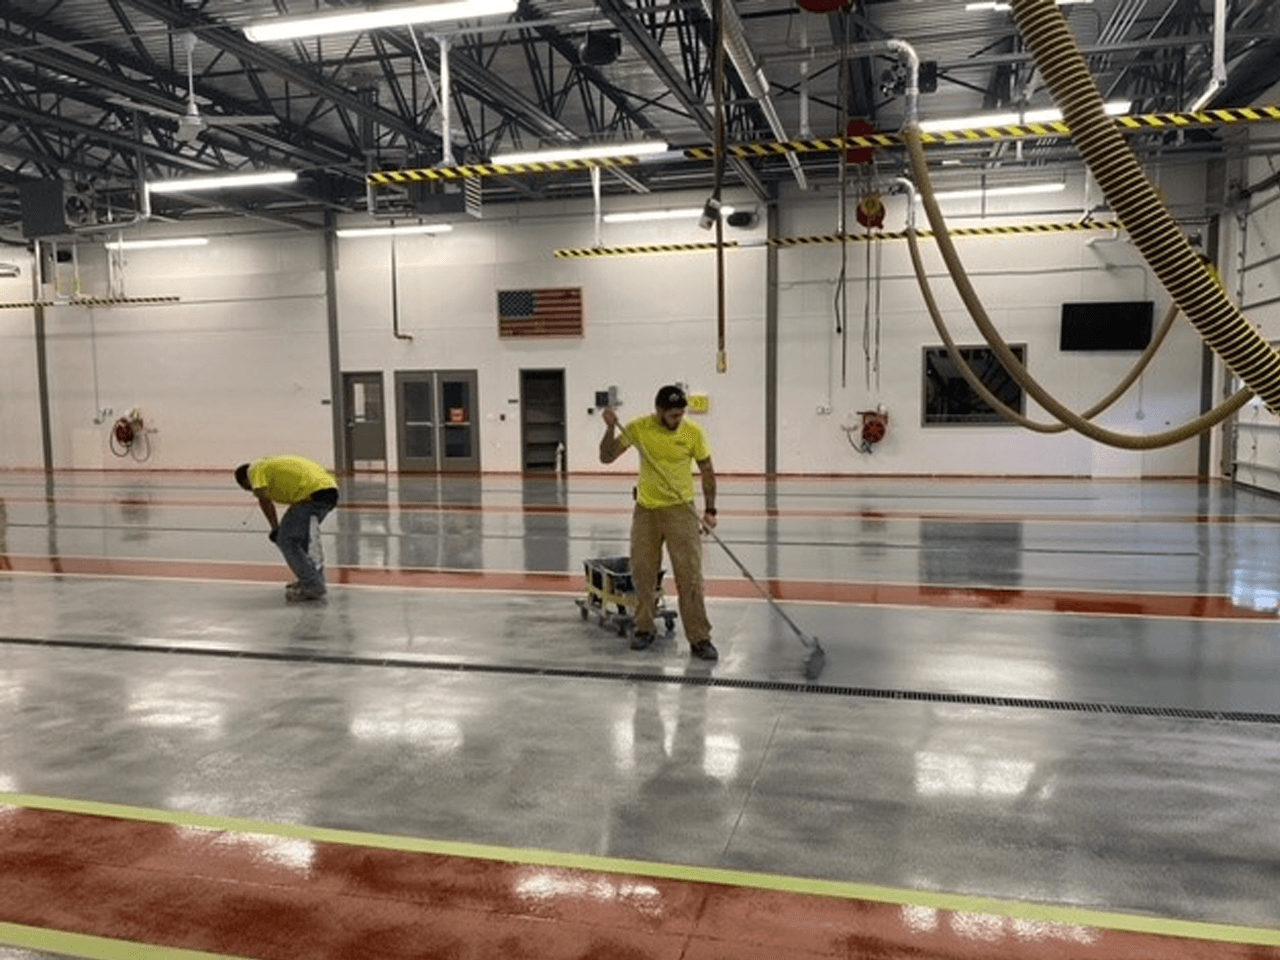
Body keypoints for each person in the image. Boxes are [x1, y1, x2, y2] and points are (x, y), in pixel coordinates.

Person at [600, 385, 719, 661]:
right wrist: (609, 429)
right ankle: (644, 628)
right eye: (673, 415)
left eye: (681, 414)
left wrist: (710, 510)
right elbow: (606, 457)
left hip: (681, 512)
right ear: (659, 412)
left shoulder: (693, 432)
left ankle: (700, 638)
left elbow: (707, 471)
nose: (678, 420)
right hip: (647, 512)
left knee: (689, 576)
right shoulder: (640, 428)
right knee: (643, 572)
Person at [235, 455, 339, 601]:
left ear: (245, 480)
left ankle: (313, 585)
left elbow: (264, 499)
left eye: (248, 488)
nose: (252, 492)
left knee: (286, 540)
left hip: (313, 496)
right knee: (303, 540)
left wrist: (274, 527)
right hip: (327, 492)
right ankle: (312, 579)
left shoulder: (254, 470)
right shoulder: (268, 465)